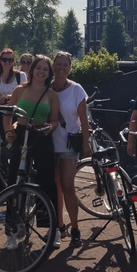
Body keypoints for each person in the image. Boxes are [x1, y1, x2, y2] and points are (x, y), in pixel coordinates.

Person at [3, 55, 61, 248]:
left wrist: (50, 128)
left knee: (46, 182)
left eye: (45, 69)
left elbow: (54, 120)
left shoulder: (51, 95)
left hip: (41, 136)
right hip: (21, 135)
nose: (41, 72)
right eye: (39, 68)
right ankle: (12, 229)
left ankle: (51, 230)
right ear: (32, 69)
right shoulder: (20, 90)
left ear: (49, 73)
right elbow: (9, 114)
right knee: (14, 180)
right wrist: (8, 131)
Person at [51, 52, 92, 248]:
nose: (61, 68)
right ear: (53, 65)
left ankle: (75, 227)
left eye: (65, 65)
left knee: (67, 185)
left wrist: (86, 142)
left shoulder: (76, 89)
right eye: (58, 64)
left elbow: (84, 119)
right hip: (47, 144)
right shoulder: (45, 88)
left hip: (68, 144)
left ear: (70, 67)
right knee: (53, 187)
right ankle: (59, 226)